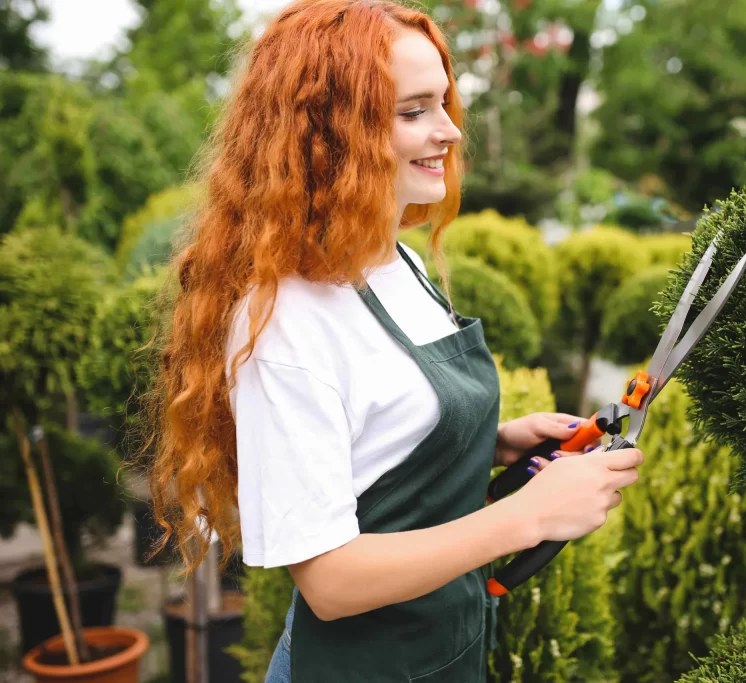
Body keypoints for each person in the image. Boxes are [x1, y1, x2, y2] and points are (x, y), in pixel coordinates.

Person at [145, 0, 644, 680]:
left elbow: (375, 436)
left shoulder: (395, 260)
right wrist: (528, 515)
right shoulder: (284, 323)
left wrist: (490, 440)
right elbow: (329, 579)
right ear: (327, 134)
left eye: (443, 104)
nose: (448, 131)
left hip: (448, 650)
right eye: (413, 112)